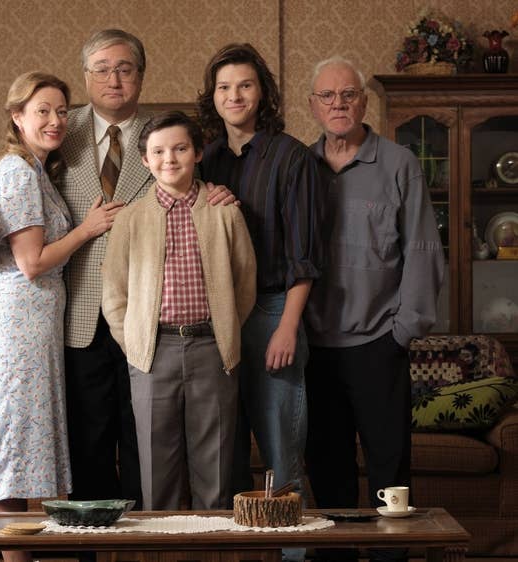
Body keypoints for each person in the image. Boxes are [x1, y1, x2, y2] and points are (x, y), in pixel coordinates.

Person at [0, 29, 234, 507]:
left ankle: (136, 549)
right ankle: (91, 548)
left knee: (142, 445)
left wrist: (217, 193)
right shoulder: (60, 131)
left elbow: (189, 184)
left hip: (143, 315)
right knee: (88, 446)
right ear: (86, 77)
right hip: (76, 320)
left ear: (141, 77)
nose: (114, 79)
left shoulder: (162, 135)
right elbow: (13, 197)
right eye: (102, 69)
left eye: (125, 69)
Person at [0, 71, 122, 562]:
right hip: (18, 325)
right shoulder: (16, 171)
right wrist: (89, 228)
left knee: (22, 449)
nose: (54, 120)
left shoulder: (36, 170)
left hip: (34, 326)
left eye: (61, 111)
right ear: (17, 117)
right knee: (11, 452)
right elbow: (32, 263)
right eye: (42, 111)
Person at [304, 56, 444, 562]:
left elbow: (424, 250)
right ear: (313, 106)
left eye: (348, 95)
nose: (338, 104)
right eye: (328, 96)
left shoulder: (399, 163)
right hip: (315, 347)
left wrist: (403, 332)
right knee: (328, 472)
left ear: (364, 101)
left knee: (390, 472)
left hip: (379, 343)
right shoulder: (302, 166)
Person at [102, 111, 256, 510]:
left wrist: (223, 330)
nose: (169, 158)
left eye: (180, 148)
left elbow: (244, 283)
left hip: (212, 348)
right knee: (158, 470)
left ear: (198, 153)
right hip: (153, 352)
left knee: (215, 469)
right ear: (145, 161)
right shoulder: (131, 219)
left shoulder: (225, 211)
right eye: (158, 151)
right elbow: (114, 294)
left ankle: (214, 553)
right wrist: (135, 343)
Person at [198, 42, 324, 526]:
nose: (234, 95)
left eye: (245, 85)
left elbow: (304, 256)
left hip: (274, 311)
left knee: (282, 451)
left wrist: (288, 327)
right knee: (225, 456)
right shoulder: (205, 159)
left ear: (262, 92)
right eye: (224, 87)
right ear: (213, 96)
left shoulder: (291, 157)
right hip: (220, 317)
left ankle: (295, 552)